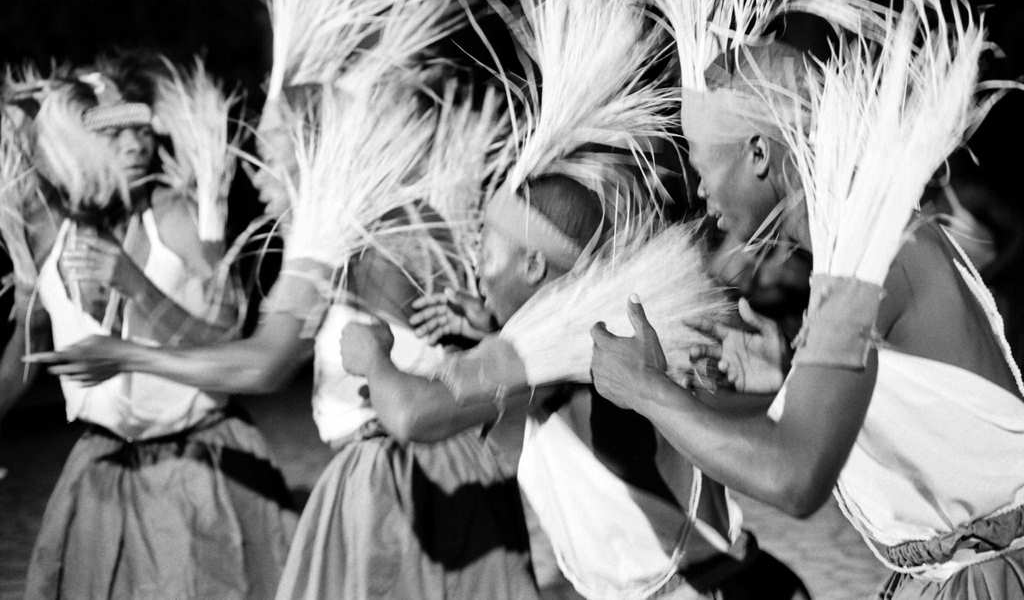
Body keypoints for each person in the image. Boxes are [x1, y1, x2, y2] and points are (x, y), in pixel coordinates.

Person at [589, 41, 1024, 598]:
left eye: (700, 166)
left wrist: (645, 390)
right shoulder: (866, 242)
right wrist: (789, 380)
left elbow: (794, 480)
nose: (697, 192)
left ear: (758, 154)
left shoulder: (868, 258)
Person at [347, 174, 810, 599]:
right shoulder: (598, 326)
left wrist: (373, 358)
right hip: (742, 577)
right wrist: (490, 326)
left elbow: (413, 416)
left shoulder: (542, 349)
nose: (479, 275)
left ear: (532, 264)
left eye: (486, 257)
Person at [4, 55, 297, 599]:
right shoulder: (49, 238)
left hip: (200, 466)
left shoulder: (175, 217)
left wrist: (136, 285)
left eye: (141, 130)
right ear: (76, 150)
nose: (136, 146)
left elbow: (232, 347)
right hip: (101, 467)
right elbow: (24, 355)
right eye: (114, 135)